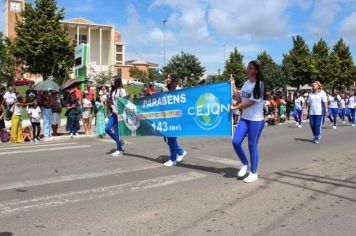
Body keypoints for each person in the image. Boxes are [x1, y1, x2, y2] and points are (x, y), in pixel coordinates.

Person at [230, 60, 266, 183]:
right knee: (235, 141)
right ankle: (245, 163)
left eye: (250, 68)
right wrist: (233, 85)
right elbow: (240, 99)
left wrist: (235, 107)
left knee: (252, 145)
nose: (248, 70)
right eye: (248, 68)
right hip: (245, 118)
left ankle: (254, 173)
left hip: (256, 120)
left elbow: (251, 102)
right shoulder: (246, 83)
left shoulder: (259, 84)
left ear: (256, 70)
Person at [162, 73, 187, 167]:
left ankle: (173, 159)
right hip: (166, 116)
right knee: (166, 138)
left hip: (175, 117)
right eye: (167, 77)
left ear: (173, 79)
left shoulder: (179, 90)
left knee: (171, 138)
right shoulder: (166, 88)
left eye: (169, 77)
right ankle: (181, 151)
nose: (167, 79)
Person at [105, 77, 126, 157]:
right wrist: (113, 109)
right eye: (111, 80)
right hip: (114, 113)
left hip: (120, 114)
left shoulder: (121, 90)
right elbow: (110, 101)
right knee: (107, 129)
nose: (111, 82)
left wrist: (119, 98)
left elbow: (125, 102)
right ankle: (119, 142)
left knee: (117, 131)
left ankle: (119, 150)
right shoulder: (113, 91)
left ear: (117, 81)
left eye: (113, 80)